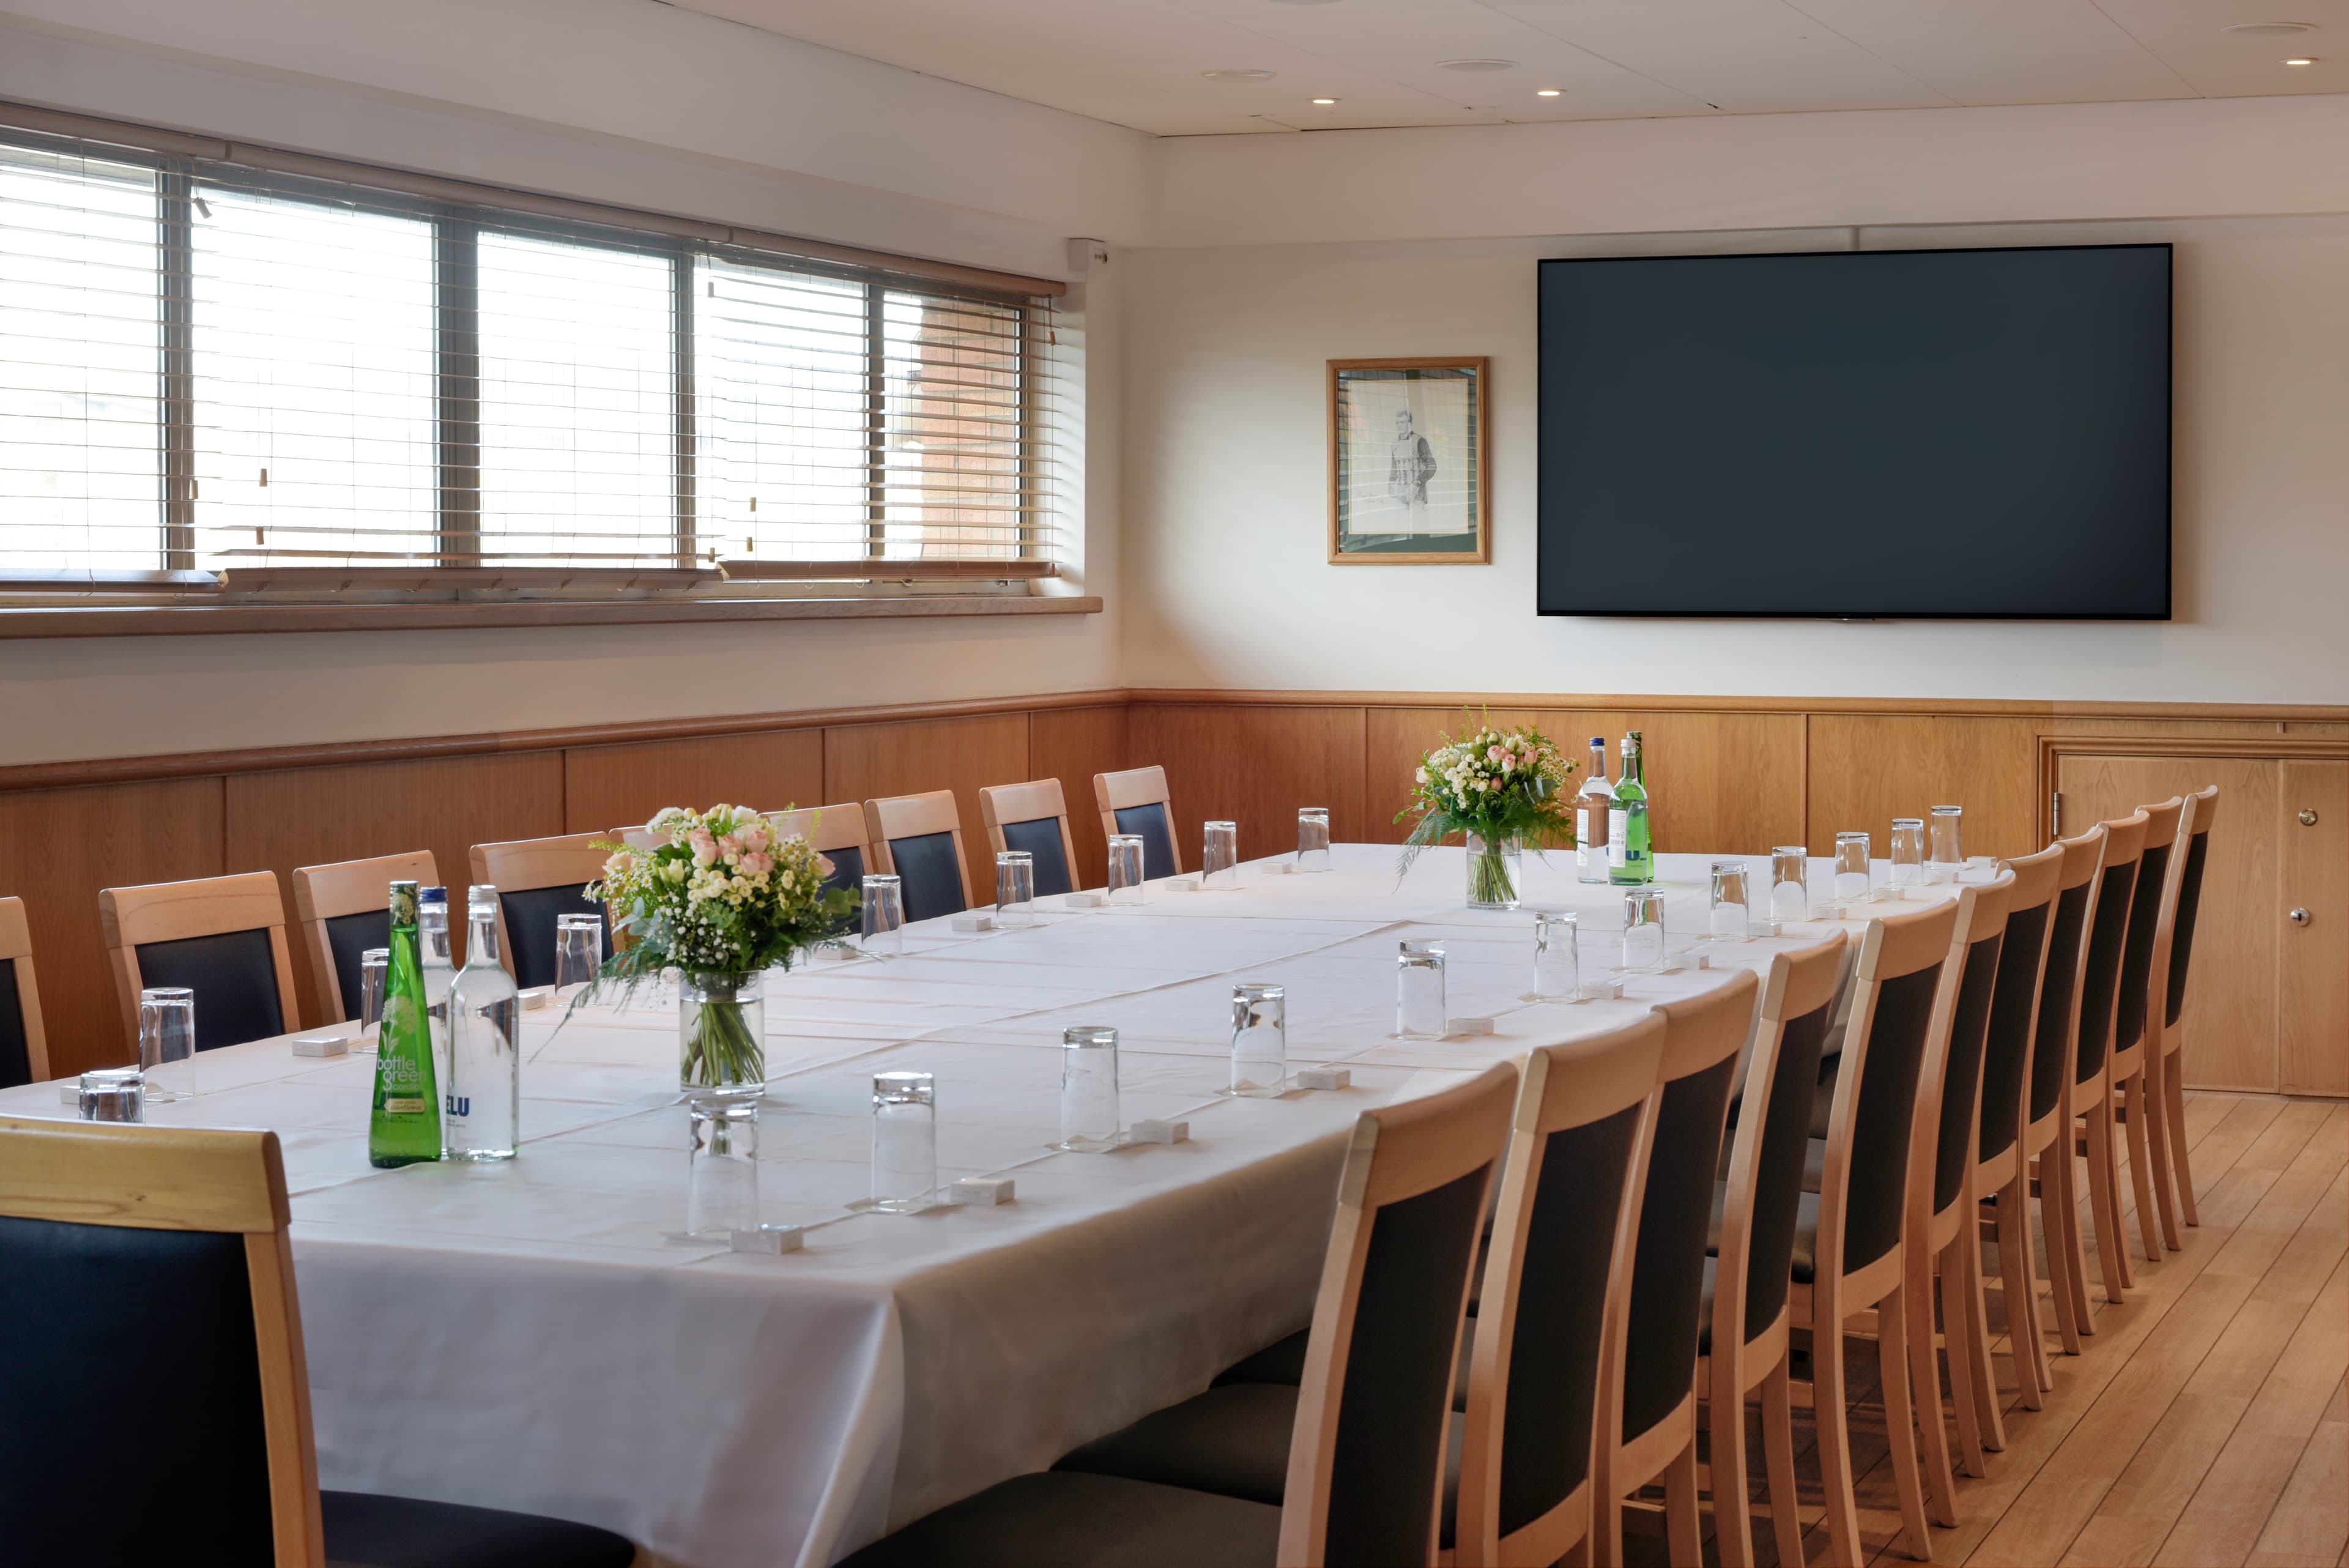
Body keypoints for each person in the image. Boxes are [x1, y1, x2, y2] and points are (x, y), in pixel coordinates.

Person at [1388, 407, 1438, 530]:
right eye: (1397, 423)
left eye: (1402, 422)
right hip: (1400, 494)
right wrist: (1391, 482)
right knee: (1401, 529)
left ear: (1409, 423)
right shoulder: (1394, 442)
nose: (1399, 425)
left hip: (1417, 494)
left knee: (1418, 527)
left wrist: (1418, 482)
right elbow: (1394, 466)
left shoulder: (1419, 441)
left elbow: (1432, 466)